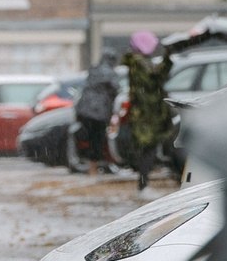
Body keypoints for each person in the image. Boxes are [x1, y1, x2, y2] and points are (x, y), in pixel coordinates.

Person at [119, 30, 178, 192]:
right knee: (150, 149)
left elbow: (156, 78)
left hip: (150, 115)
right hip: (147, 116)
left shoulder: (140, 61)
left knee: (153, 148)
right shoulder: (138, 62)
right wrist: (167, 58)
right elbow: (154, 79)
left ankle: (145, 184)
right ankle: (143, 186)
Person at [74, 52, 120, 173]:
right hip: (100, 112)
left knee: (89, 138)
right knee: (97, 139)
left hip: (84, 110)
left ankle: (90, 164)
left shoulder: (93, 70)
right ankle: (94, 166)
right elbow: (116, 89)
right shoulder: (111, 73)